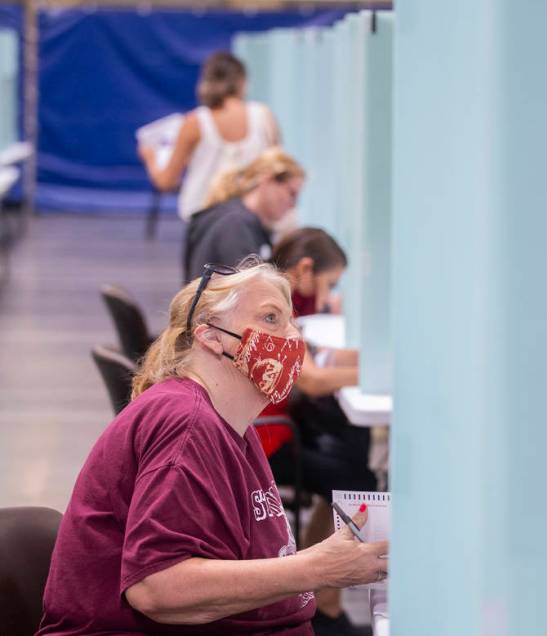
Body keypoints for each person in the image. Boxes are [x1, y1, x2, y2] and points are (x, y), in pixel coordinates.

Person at [38, 260, 387, 635]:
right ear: (212, 336)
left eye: (291, 322)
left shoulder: (232, 426)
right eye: (271, 319)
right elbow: (156, 586)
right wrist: (316, 568)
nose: (292, 339)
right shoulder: (186, 423)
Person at [265, 228, 375, 636]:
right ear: (305, 269)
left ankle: (319, 598)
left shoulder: (270, 293)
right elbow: (310, 379)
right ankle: (321, 605)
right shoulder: (273, 305)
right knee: (355, 479)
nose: (328, 294)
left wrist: (373, 358)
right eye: (329, 283)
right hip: (263, 439)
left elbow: (316, 357)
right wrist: (384, 374)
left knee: (348, 464)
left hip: (270, 426)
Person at [139, 51, 280, 222]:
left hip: (204, 218)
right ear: (242, 82)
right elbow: (277, 166)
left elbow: (166, 181)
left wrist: (149, 155)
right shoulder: (264, 115)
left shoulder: (194, 123)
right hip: (253, 219)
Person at [183, 147, 304, 283]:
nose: (293, 204)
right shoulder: (236, 226)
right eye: (292, 193)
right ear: (267, 181)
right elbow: (250, 290)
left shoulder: (236, 219)